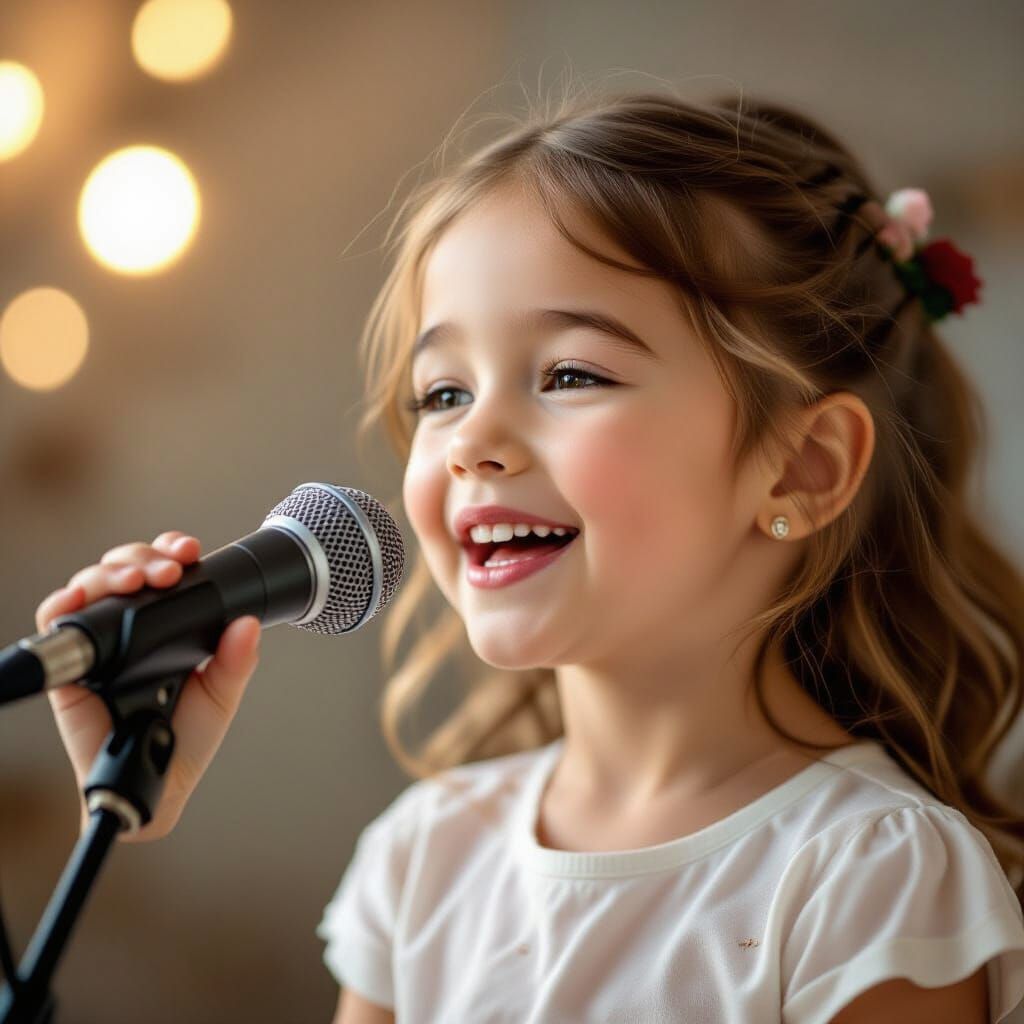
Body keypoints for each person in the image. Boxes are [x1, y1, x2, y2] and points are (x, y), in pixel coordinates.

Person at [34, 88, 1024, 1023]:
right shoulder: (426, 858)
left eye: (569, 373)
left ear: (800, 468)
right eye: (443, 393)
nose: (470, 440)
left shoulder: (872, 881)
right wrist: (128, 803)